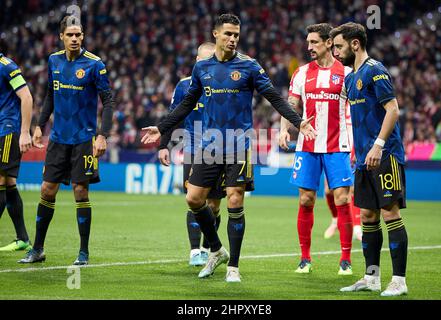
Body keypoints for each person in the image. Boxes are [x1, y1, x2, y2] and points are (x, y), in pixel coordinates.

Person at [142, 13, 316, 282]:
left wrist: (298, 122)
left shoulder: (249, 66)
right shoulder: (202, 69)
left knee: (234, 199)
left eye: (236, 34)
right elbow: (187, 104)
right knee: (194, 199)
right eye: (228, 34)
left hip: (238, 143)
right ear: (216, 35)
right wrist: (162, 128)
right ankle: (216, 250)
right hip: (209, 144)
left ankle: (233, 266)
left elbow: (274, 98)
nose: (233, 39)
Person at [19, 15, 114, 265]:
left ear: (83, 36)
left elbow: (109, 101)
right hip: (59, 139)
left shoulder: (95, 64)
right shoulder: (54, 61)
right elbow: (51, 93)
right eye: (70, 34)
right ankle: (37, 249)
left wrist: (102, 135)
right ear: (61, 36)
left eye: (78, 34)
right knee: (46, 190)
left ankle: (83, 252)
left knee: (80, 191)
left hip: (83, 139)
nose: (75, 38)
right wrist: (40, 125)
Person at [331, 22, 408, 296]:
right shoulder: (351, 79)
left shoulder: (375, 70)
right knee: (367, 215)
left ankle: (399, 281)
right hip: (363, 159)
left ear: (355, 44)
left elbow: (393, 109)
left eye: (338, 46)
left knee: (390, 214)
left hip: (385, 155)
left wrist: (378, 145)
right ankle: (372, 277)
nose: (336, 53)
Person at [279, 23, 354, 275]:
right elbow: (290, 104)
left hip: (337, 145)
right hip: (307, 146)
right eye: (308, 42)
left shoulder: (346, 73)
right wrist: (283, 129)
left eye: (314, 42)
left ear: (328, 43)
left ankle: (345, 259)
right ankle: (305, 258)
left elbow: (358, 107)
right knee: (306, 198)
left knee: (342, 198)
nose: (309, 47)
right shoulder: (301, 73)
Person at [158, 42, 225, 267]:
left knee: (214, 206)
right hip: (192, 150)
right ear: (197, 61)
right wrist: (163, 145)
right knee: (194, 200)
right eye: (204, 61)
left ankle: (209, 248)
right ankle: (196, 250)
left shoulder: (222, 86)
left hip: (217, 151)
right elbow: (174, 116)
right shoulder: (184, 86)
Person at [0, 52, 33, 252]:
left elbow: (26, 97)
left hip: (8, 129)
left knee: (2, 181)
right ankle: (22, 238)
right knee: (8, 183)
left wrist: (24, 132)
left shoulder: (6, 66)